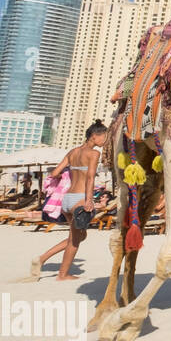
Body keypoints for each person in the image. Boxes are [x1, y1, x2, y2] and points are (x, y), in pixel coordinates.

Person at [32, 120, 108, 280]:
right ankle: (61, 273)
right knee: (75, 240)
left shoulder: (73, 152)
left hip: (66, 199)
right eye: (104, 137)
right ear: (94, 136)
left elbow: (54, 173)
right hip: (79, 199)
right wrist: (88, 200)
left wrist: (71, 173)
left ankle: (43, 259)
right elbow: (90, 178)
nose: (105, 140)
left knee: (80, 236)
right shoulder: (94, 154)